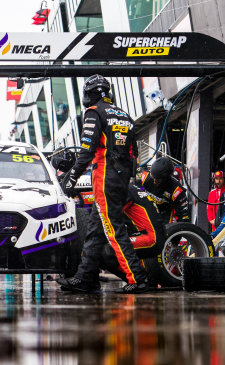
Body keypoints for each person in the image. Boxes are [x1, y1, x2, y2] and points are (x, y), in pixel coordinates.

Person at [57, 74, 149, 294]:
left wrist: (71, 177)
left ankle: (138, 278)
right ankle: (85, 277)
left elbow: (87, 151)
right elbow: (133, 154)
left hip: (105, 177)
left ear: (91, 94)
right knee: (95, 230)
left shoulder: (94, 112)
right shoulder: (125, 115)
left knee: (113, 230)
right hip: (121, 177)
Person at [139, 157, 190, 223]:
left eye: (158, 180)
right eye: (153, 178)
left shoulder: (176, 190)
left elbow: (184, 215)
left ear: (166, 178)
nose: (154, 182)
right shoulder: (145, 177)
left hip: (164, 215)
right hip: (146, 210)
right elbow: (137, 189)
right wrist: (143, 190)